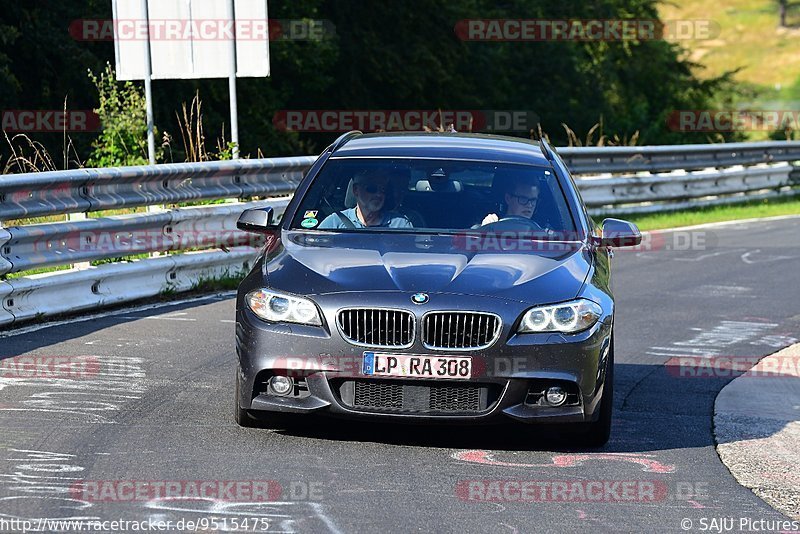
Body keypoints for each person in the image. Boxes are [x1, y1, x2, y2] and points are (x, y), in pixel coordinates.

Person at [319, 171, 413, 229]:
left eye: (383, 189)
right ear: (356, 190)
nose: (379, 194)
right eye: (372, 188)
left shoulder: (400, 224)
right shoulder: (335, 222)